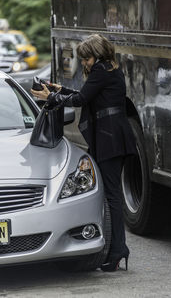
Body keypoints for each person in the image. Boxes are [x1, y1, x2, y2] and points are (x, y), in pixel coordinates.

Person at [31, 34, 137, 272]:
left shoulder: (100, 70)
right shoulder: (110, 69)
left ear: (96, 55)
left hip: (109, 140)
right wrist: (60, 89)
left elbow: (80, 100)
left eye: (86, 58)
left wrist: (51, 97)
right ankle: (117, 249)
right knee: (111, 194)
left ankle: (119, 249)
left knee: (112, 196)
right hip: (114, 138)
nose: (85, 63)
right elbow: (87, 94)